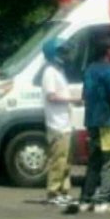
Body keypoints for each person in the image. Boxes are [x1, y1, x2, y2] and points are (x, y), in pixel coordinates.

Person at [78, 36, 110, 214]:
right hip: (108, 123)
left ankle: (86, 197)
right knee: (109, 161)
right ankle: (104, 199)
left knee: (94, 160)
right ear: (109, 51)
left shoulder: (90, 69)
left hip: (91, 122)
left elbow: (84, 96)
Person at [40, 38, 80, 206]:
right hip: (56, 123)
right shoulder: (49, 72)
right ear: (54, 53)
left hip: (65, 122)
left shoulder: (59, 71)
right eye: (62, 51)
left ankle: (64, 190)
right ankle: (53, 192)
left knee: (66, 160)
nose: (65, 54)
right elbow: (52, 96)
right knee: (58, 159)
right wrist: (72, 99)